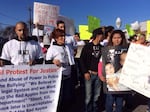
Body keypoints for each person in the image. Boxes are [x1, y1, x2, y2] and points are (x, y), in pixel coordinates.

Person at [98, 29, 129, 112]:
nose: (117, 40)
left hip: (122, 81)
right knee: (109, 101)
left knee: (119, 102)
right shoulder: (107, 50)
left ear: (122, 38)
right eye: (114, 38)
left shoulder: (127, 50)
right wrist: (100, 75)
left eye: (119, 37)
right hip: (109, 81)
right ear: (111, 39)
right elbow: (101, 63)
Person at [45, 29, 74, 112]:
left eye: (63, 36)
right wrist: (52, 61)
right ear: (56, 38)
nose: (63, 38)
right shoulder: (52, 48)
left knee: (67, 97)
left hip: (68, 74)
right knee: (59, 97)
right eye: (60, 36)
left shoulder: (67, 46)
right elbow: (47, 62)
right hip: (59, 77)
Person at [80, 28, 104, 112]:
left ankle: (95, 110)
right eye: (102, 35)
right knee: (88, 96)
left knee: (97, 96)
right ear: (98, 35)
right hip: (89, 74)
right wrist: (85, 72)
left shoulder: (102, 47)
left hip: (99, 75)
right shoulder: (87, 46)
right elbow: (82, 60)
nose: (103, 37)